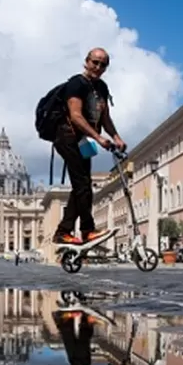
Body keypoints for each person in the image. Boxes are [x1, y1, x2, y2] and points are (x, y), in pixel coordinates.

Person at [52, 47, 126, 245]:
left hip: (84, 141)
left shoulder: (101, 87)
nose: (98, 67)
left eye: (103, 64)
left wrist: (116, 137)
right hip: (67, 137)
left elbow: (105, 117)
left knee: (82, 187)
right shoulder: (76, 84)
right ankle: (87, 230)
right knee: (83, 185)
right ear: (86, 61)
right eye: (95, 62)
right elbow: (76, 116)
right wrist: (99, 138)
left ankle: (63, 231)